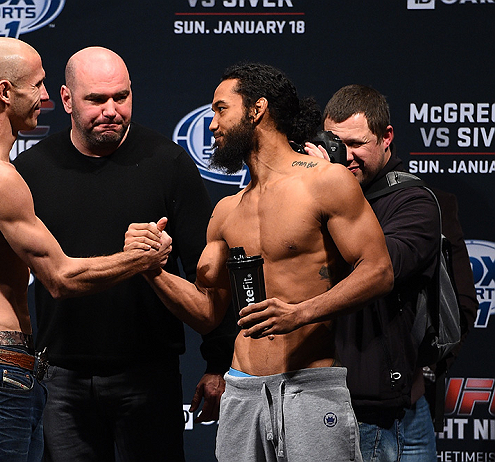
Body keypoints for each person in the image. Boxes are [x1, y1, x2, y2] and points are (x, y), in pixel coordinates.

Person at [126, 63, 394, 462]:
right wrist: (150, 269)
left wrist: (301, 312)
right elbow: (206, 312)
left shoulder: (325, 181)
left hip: (311, 385)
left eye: (221, 109)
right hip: (242, 391)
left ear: (257, 110)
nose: (213, 125)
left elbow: (378, 271)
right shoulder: (226, 211)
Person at [0, 37, 171, 462]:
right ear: (5, 92)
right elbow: (60, 278)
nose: (46, 97)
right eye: (37, 86)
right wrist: (140, 257)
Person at [13, 46, 236, 462]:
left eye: (121, 96)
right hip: (61, 377)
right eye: (96, 100)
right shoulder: (33, 170)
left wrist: (218, 363)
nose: (111, 109)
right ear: (65, 100)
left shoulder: (167, 163)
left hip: (149, 375)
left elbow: (210, 271)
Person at [304, 84, 446, 461]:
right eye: (335, 143)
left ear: (386, 138)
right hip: (322, 405)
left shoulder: (414, 202)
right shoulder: (311, 193)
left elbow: (380, 267)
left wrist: (331, 187)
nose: (345, 157)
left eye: (356, 144)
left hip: (391, 416)